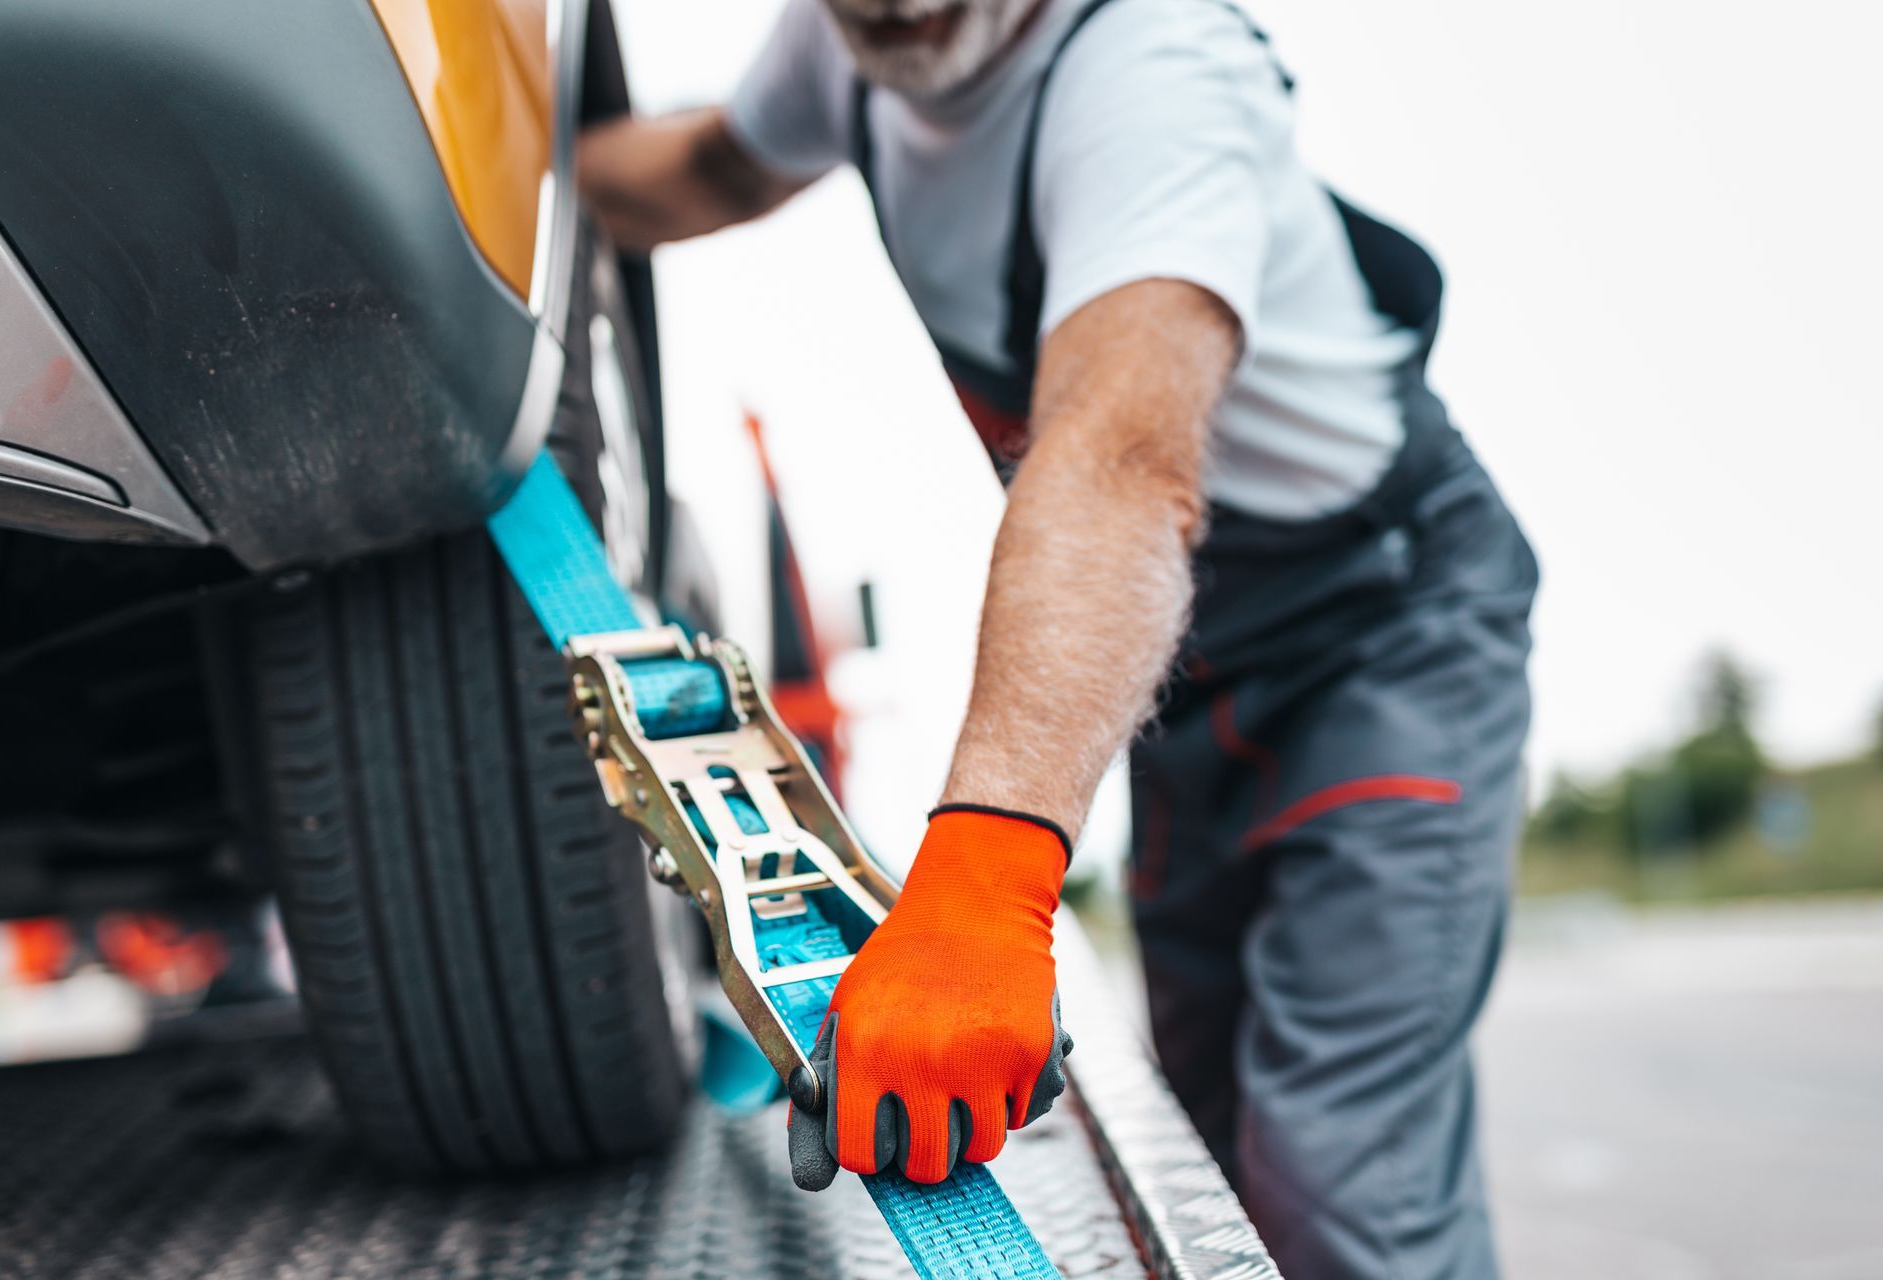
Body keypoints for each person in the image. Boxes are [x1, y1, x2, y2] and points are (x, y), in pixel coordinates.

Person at [578, 0, 1538, 1274]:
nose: (897, 7)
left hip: (1382, 629)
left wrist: (983, 885)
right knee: (1219, 1143)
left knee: (1337, 1183)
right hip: (1179, 659)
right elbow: (702, 172)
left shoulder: (1154, 74)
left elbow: (1123, 467)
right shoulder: (850, 42)